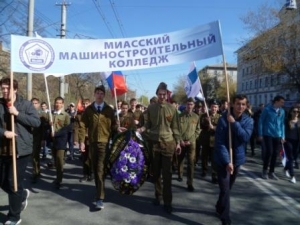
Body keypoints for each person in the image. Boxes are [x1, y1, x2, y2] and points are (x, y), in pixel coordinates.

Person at [0, 77, 41, 225]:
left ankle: (14, 217)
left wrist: (17, 114)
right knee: (3, 181)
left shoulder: (25, 104)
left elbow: (36, 122)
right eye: (3, 88)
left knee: (13, 183)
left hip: (20, 150)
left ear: (15, 89)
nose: (5, 91)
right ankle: (22, 194)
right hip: (2, 149)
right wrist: (3, 133)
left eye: (8, 88)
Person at [137, 82, 181, 214]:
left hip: (168, 143)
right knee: (156, 173)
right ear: (156, 94)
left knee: (167, 175)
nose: (162, 96)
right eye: (160, 94)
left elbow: (175, 128)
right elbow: (148, 123)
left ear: (167, 95)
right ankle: (158, 196)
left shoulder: (172, 109)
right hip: (154, 143)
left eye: (164, 94)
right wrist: (142, 129)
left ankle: (168, 202)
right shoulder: (151, 108)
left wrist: (178, 142)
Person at [214, 94, 253, 225]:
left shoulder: (248, 120)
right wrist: (227, 162)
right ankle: (225, 219)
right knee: (225, 189)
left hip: (237, 159)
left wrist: (234, 123)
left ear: (246, 106)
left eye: (243, 104)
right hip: (222, 160)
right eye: (238, 104)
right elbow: (219, 143)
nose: (240, 107)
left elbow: (245, 137)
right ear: (232, 104)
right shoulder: (223, 119)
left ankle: (220, 205)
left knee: (228, 188)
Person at [79, 85, 116, 210]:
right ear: (94, 94)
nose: (99, 95)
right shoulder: (89, 110)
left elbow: (114, 126)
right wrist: (82, 141)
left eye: (102, 93)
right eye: (98, 93)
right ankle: (99, 190)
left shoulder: (109, 110)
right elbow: (83, 125)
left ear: (104, 95)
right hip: (92, 143)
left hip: (104, 144)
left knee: (100, 170)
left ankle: (100, 198)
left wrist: (119, 132)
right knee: (95, 169)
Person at [258, 95, 285, 180]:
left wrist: (283, 135)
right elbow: (261, 121)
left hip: (278, 135)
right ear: (276, 101)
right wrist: (260, 133)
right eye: (281, 102)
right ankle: (265, 171)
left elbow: (282, 124)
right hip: (268, 134)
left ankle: (271, 172)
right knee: (269, 151)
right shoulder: (267, 109)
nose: (282, 104)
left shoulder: (282, 111)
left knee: (275, 153)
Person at [177, 97, 200, 191]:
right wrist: (180, 140)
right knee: (180, 159)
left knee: (191, 163)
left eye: (191, 104)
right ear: (186, 105)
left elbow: (198, 130)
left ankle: (190, 183)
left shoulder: (196, 117)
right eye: (188, 104)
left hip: (191, 143)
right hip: (182, 142)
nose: (189, 106)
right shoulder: (180, 116)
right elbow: (176, 129)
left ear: (193, 105)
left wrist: (191, 140)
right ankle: (180, 174)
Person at [51, 97, 70, 189]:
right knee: (55, 161)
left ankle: (59, 180)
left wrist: (56, 134)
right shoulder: (51, 114)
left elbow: (67, 128)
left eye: (59, 103)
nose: (58, 104)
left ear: (62, 104)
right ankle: (57, 177)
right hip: (53, 141)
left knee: (59, 161)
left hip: (61, 141)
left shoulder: (65, 115)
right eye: (56, 102)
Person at [199, 99, 221, 183]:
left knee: (214, 159)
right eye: (212, 107)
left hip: (214, 140)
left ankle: (214, 175)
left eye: (215, 107)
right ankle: (204, 170)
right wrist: (207, 122)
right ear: (210, 107)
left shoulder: (220, 117)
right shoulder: (204, 116)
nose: (214, 108)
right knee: (204, 156)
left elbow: (221, 129)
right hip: (205, 139)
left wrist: (214, 128)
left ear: (218, 108)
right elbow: (201, 126)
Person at [73, 99, 93, 182]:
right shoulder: (79, 115)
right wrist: (76, 139)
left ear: (90, 104)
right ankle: (85, 174)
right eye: (84, 104)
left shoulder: (94, 114)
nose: (85, 105)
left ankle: (91, 173)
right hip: (83, 138)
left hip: (92, 139)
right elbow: (76, 128)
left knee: (91, 157)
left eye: (87, 104)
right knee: (84, 157)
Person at [31, 97, 49, 183]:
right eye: (33, 103)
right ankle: (36, 170)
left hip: (38, 138)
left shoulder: (42, 115)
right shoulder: (27, 113)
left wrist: (43, 139)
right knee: (33, 156)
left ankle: (36, 172)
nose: (34, 105)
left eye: (36, 103)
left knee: (35, 155)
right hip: (29, 138)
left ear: (38, 105)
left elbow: (43, 129)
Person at [283, 107, 300, 184]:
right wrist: (282, 137)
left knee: (294, 157)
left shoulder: (299, 121)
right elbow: (282, 130)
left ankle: (286, 168)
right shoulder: (287, 121)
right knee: (291, 157)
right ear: (291, 112)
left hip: (297, 142)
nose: (296, 113)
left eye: (297, 111)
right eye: (294, 111)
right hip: (288, 141)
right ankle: (292, 176)